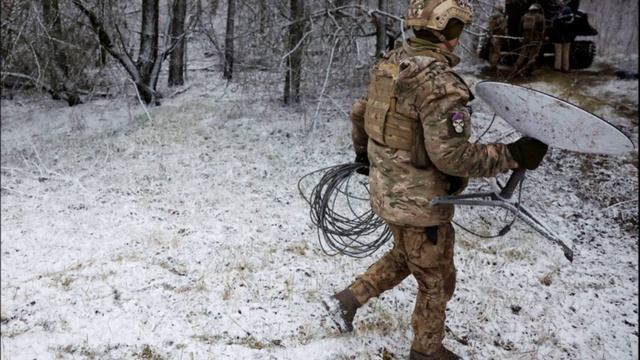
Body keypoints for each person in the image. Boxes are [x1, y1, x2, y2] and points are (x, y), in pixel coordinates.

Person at [323, 1, 549, 359]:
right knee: (437, 280)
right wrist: (512, 155)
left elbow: (359, 113)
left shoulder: (391, 63)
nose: (458, 39)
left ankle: (348, 300)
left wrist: (363, 156)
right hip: (421, 205)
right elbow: (451, 156)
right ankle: (426, 353)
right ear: (447, 33)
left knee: (405, 256)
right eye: (457, 30)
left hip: (388, 192)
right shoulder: (440, 85)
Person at [511, 3, 546, 76]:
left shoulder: (524, 17)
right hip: (535, 39)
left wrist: (522, 36)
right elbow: (542, 29)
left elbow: (520, 29)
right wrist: (542, 38)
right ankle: (527, 71)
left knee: (522, 55)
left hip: (525, 39)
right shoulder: (540, 17)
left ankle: (514, 71)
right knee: (532, 56)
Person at [550, 4, 576, 72]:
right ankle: (566, 68)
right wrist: (571, 39)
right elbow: (573, 32)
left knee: (558, 54)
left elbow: (553, 30)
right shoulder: (573, 22)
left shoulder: (557, 21)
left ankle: (557, 68)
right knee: (566, 54)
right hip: (567, 40)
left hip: (557, 40)